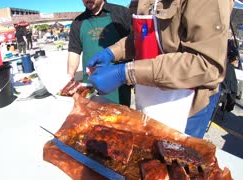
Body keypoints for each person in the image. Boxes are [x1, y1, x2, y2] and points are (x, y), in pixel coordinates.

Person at [86, 0, 234, 138]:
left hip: (187, 102)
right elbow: (141, 35)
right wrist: (112, 52)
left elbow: (206, 65)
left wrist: (126, 72)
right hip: (149, 91)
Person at [67, 0, 132, 106]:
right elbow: (74, 51)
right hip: (89, 84)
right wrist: (70, 75)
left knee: (119, 119)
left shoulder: (121, 13)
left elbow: (134, 42)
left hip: (117, 81)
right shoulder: (78, 22)